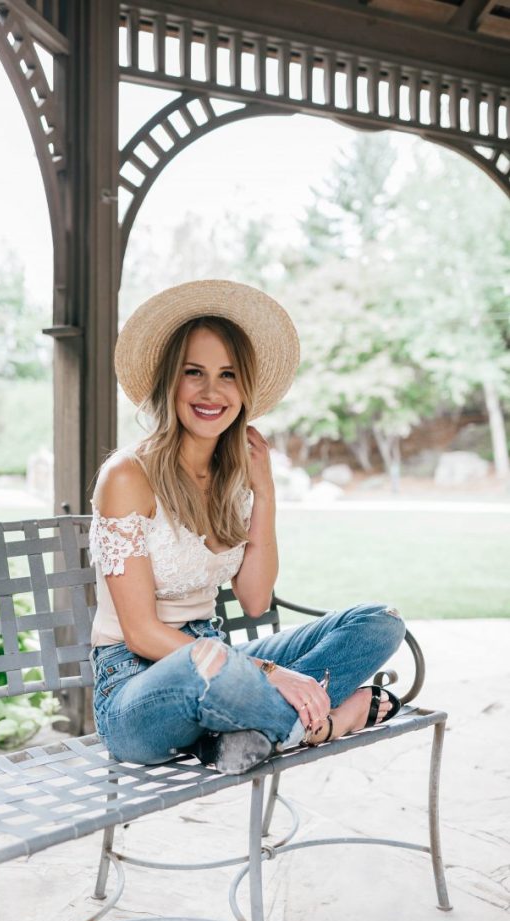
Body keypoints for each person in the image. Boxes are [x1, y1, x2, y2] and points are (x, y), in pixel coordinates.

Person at [89, 279, 405, 774]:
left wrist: (265, 491)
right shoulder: (127, 476)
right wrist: (273, 673)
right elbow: (141, 632)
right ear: (169, 381)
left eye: (227, 375)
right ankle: (329, 722)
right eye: (194, 372)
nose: (211, 391)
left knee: (379, 622)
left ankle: (240, 734)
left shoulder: (231, 478)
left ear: (244, 389)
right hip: (136, 690)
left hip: (223, 663)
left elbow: (255, 601)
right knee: (209, 666)